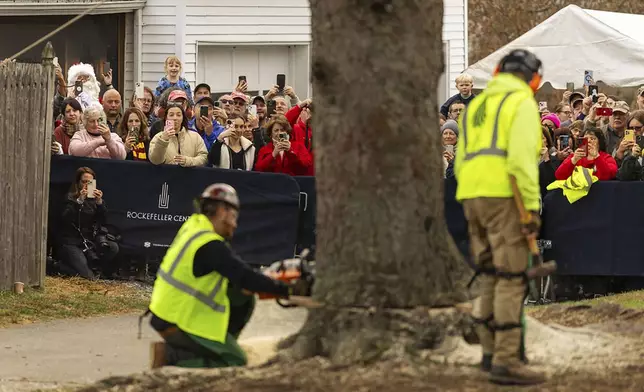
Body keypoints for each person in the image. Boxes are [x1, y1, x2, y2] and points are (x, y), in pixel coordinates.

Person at [455, 49, 545, 385]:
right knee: (511, 277)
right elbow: (521, 160)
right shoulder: (521, 103)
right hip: (507, 197)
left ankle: (490, 352)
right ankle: (507, 360)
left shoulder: (477, 104)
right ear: (530, 77)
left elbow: (462, 158)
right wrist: (531, 207)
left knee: (489, 273)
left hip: (471, 195)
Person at [147, 184, 295, 368]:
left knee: (241, 294)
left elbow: (238, 276)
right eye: (234, 216)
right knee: (236, 360)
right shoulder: (210, 245)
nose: (235, 224)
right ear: (223, 211)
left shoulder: (193, 228)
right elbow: (244, 275)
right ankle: (171, 356)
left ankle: (221, 343)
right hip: (176, 319)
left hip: (165, 311)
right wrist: (288, 290)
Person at [56, 167, 118, 279]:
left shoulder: (94, 199)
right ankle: (60, 267)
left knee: (112, 247)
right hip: (71, 241)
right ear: (78, 182)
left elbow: (103, 220)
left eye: (90, 182)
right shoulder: (70, 197)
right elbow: (66, 218)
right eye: (84, 182)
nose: (86, 185)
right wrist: (79, 201)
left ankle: (97, 269)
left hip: (89, 240)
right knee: (87, 276)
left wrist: (100, 203)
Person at [615, 110, 644, 181]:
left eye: (638, 128)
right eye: (631, 128)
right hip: (628, 188)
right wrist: (619, 153)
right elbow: (619, 174)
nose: (634, 131)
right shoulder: (622, 143)